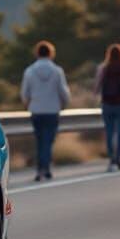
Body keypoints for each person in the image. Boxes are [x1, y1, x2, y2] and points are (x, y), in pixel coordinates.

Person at [20, 40, 71, 182]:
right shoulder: (57, 71)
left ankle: (40, 168)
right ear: (51, 53)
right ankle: (46, 168)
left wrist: (27, 104)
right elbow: (64, 92)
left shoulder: (30, 71)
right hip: (52, 110)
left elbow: (25, 93)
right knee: (48, 140)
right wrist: (64, 104)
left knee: (40, 140)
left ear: (37, 53)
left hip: (36, 110)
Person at [94, 43, 120, 171]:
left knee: (109, 132)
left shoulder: (104, 68)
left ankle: (111, 158)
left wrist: (98, 98)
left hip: (107, 104)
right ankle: (118, 158)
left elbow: (97, 86)